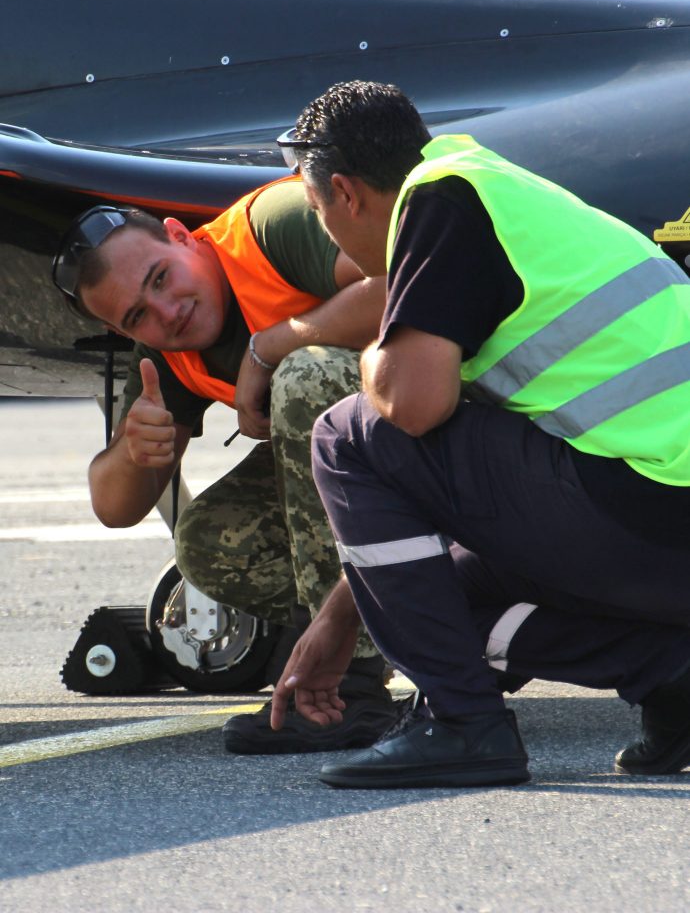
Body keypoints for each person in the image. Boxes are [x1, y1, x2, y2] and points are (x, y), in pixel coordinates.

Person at [270, 80, 690, 789]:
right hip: (657, 526)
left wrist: (373, 352)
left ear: (344, 192)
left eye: (316, 213)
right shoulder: (496, 187)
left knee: (347, 434)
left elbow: (411, 406)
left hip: (654, 511)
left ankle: (465, 726)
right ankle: (675, 678)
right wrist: (340, 619)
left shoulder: (440, 202)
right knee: (443, 597)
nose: (328, 234)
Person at [51, 175, 400, 753]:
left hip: (466, 425)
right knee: (211, 542)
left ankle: (350, 683)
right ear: (119, 331)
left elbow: (410, 285)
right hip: (402, 478)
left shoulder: (274, 226)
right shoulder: (166, 355)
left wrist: (270, 347)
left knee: (304, 375)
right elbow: (114, 506)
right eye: (138, 316)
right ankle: (416, 618)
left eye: (161, 277)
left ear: (181, 236)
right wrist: (138, 451)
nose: (167, 311)